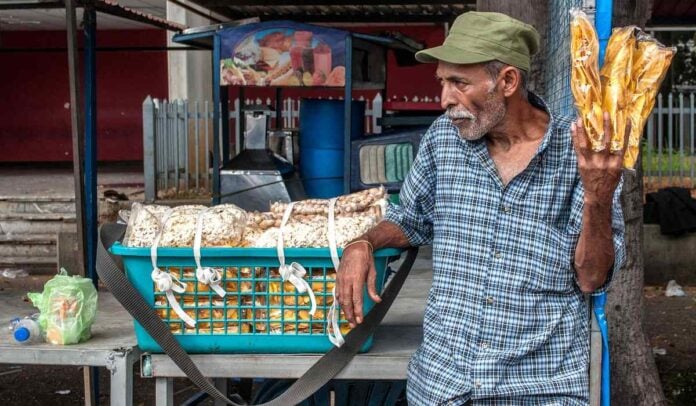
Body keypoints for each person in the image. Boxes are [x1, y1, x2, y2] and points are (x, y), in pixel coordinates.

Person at [336, 11, 627, 405]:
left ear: (507, 81)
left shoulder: (583, 154)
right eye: (442, 81)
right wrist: (363, 243)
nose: (444, 100)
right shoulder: (444, 139)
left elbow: (592, 278)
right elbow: (410, 219)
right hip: (441, 387)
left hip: (535, 390)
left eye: (459, 83)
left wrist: (598, 196)